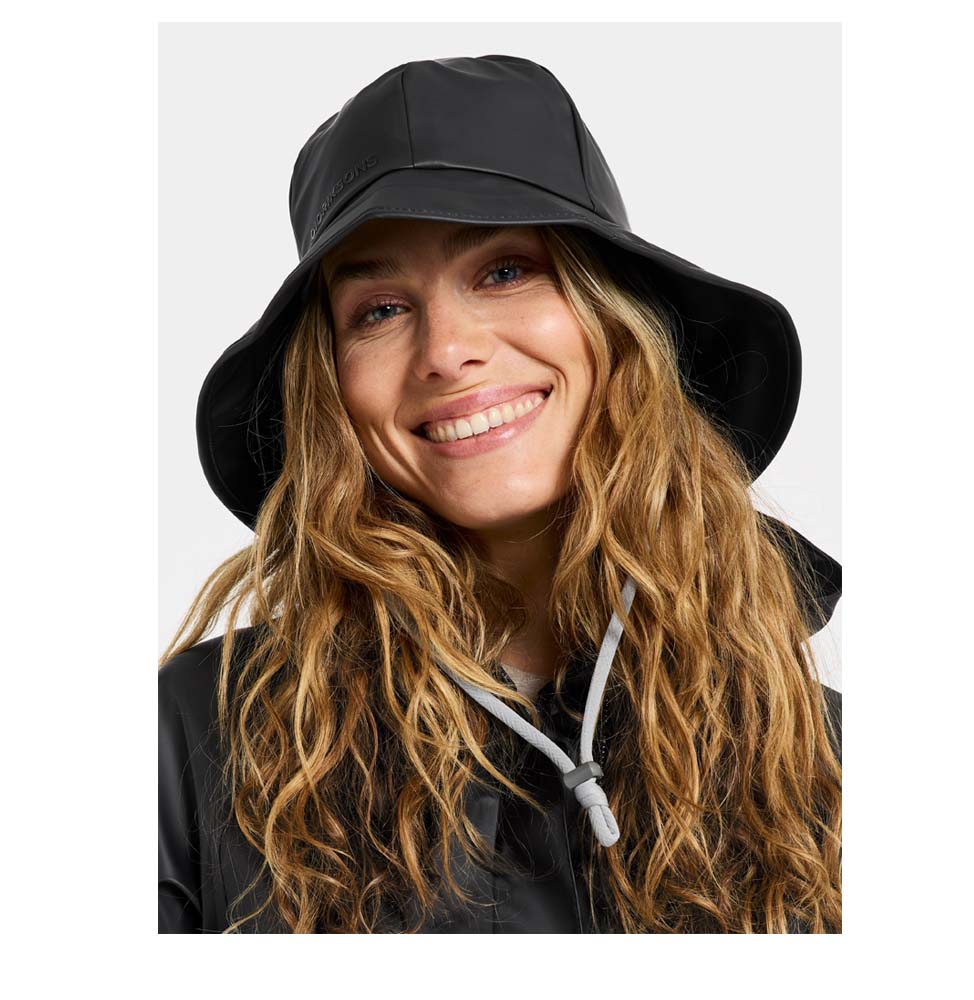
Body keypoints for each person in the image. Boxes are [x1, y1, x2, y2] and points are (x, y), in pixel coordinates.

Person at [159, 54, 842, 934]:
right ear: (330, 390)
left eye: (505, 271)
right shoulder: (191, 744)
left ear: (615, 322)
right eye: (379, 310)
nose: (447, 351)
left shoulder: (821, 758)